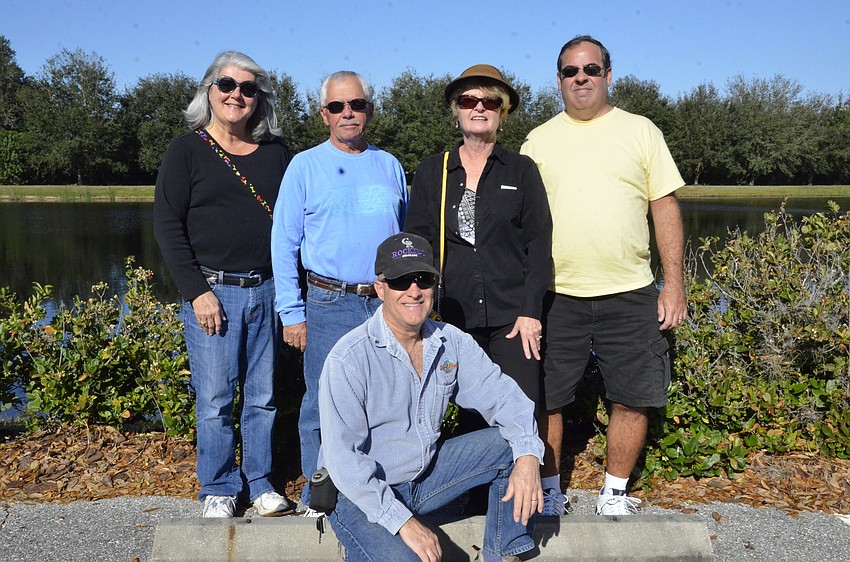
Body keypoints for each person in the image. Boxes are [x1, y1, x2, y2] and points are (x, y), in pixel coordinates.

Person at [520, 35, 687, 516]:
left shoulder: (641, 131)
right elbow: (522, 222)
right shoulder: (538, 140)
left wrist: (673, 283)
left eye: (591, 69)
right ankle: (549, 491)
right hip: (557, 295)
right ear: (558, 81)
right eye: (571, 71)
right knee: (546, 399)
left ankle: (614, 493)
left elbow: (664, 207)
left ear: (608, 75)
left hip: (631, 293)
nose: (581, 78)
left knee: (633, 397)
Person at [318, 233, 544, 562]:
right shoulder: (348, 359)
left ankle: (503, 554)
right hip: (359, 494)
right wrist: (402, 522)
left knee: (515, 445)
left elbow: (504, 398)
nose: (414, 291)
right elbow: (344, 462)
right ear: (380, 289)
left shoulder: (451, 342)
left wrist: (528, 460)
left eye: (423, 279)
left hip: (423, 479)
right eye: (400, 281)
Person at [406, 65, 557, 513]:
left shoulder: (521, 170)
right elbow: (417, 244)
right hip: (453, 317)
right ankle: (473, 503)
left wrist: (531, 312)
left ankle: (516, 512)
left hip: (513, 317)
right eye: (469, 101)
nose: (479, 108)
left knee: (519, 408)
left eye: (489, 101)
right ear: (456, 111)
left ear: (502, 113)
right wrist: (417, 308)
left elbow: (539, 246)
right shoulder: (433, 171)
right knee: (468, 413)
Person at [154, 51, 293, 518]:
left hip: (268, 289)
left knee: (263, 397)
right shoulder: (186, 151)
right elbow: (168, 228)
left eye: (248, 88)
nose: (237, 95)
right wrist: (198, 292)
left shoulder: (277, 154)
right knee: (214, 398)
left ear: (259, 98)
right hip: (214, 292)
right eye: (227, 85)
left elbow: (297, 223)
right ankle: (218, 486)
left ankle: (259, 482)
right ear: (209, 91)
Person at [270, 71, 408, 513]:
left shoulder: (390, 165)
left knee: (385, 401)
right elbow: (283, 243)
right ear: (324, 114)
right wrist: (291, 312)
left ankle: (376, 491)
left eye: (357, 104)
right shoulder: (305, 166)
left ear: (370, 109)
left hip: (386, 303)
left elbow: (405, 241)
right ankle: (321, 497)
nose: (348, 113)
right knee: (322, 404)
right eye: (337, 106)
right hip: (329, 301)